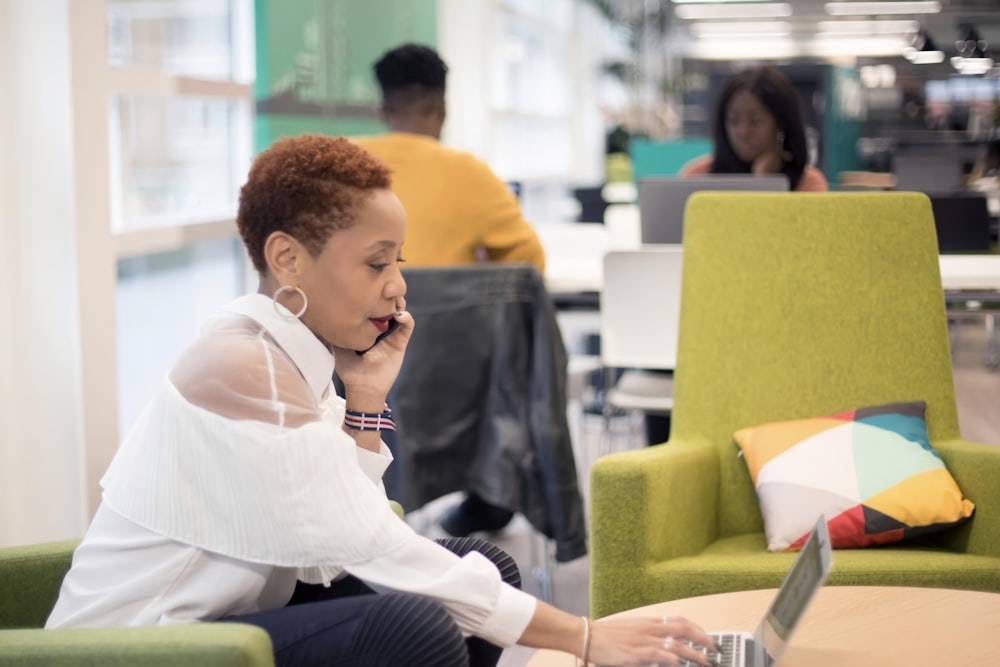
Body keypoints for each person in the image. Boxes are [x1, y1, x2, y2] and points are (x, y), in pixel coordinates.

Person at [44, 134, 719, 667]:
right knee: (420, 618)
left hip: (225, 625)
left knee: (481, 567)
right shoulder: (245, 368)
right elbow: (366, 542)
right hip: (146, 647)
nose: (399, 286)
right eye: (377, 262)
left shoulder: (289, 357)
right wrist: (585, 634)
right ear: (287, 259)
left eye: (398, 260)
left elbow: (337, 543)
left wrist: (364, 397)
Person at [353, 43, 546, 537]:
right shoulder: (472, 175)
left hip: (351, 376)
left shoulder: (340, 168)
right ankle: (488, 497)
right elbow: (529, 271)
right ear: (441, 110)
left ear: (383, 109)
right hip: (452, 393)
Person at [681, 65, 829, 192]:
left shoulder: (808, 183)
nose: (743, 132)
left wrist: (765, 182)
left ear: (781, 124)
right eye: (734, 121)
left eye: (756, 121)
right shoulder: (698, 176)